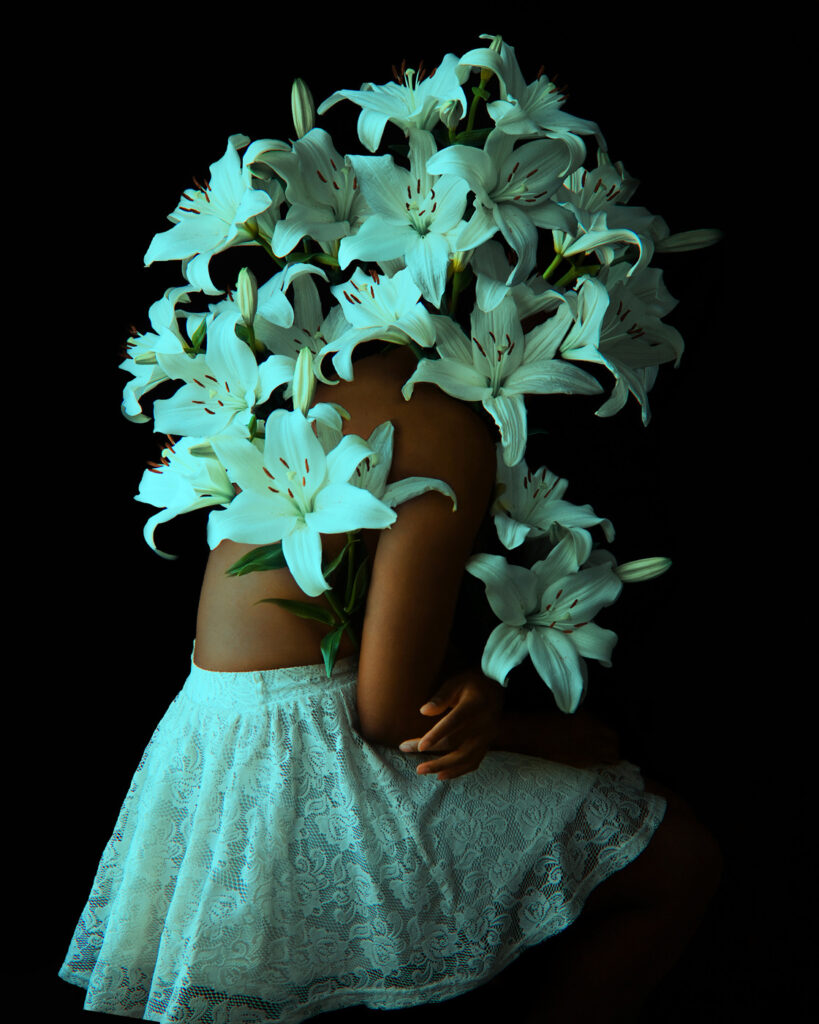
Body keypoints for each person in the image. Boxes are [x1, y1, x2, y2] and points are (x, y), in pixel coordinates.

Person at [58, 342, 723, 1024]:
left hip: (209, 739)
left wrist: (483, 693)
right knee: (679, 862)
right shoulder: (440, 418)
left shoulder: (317, 362)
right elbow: (391, 717)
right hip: (303, 749)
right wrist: (542, 734)